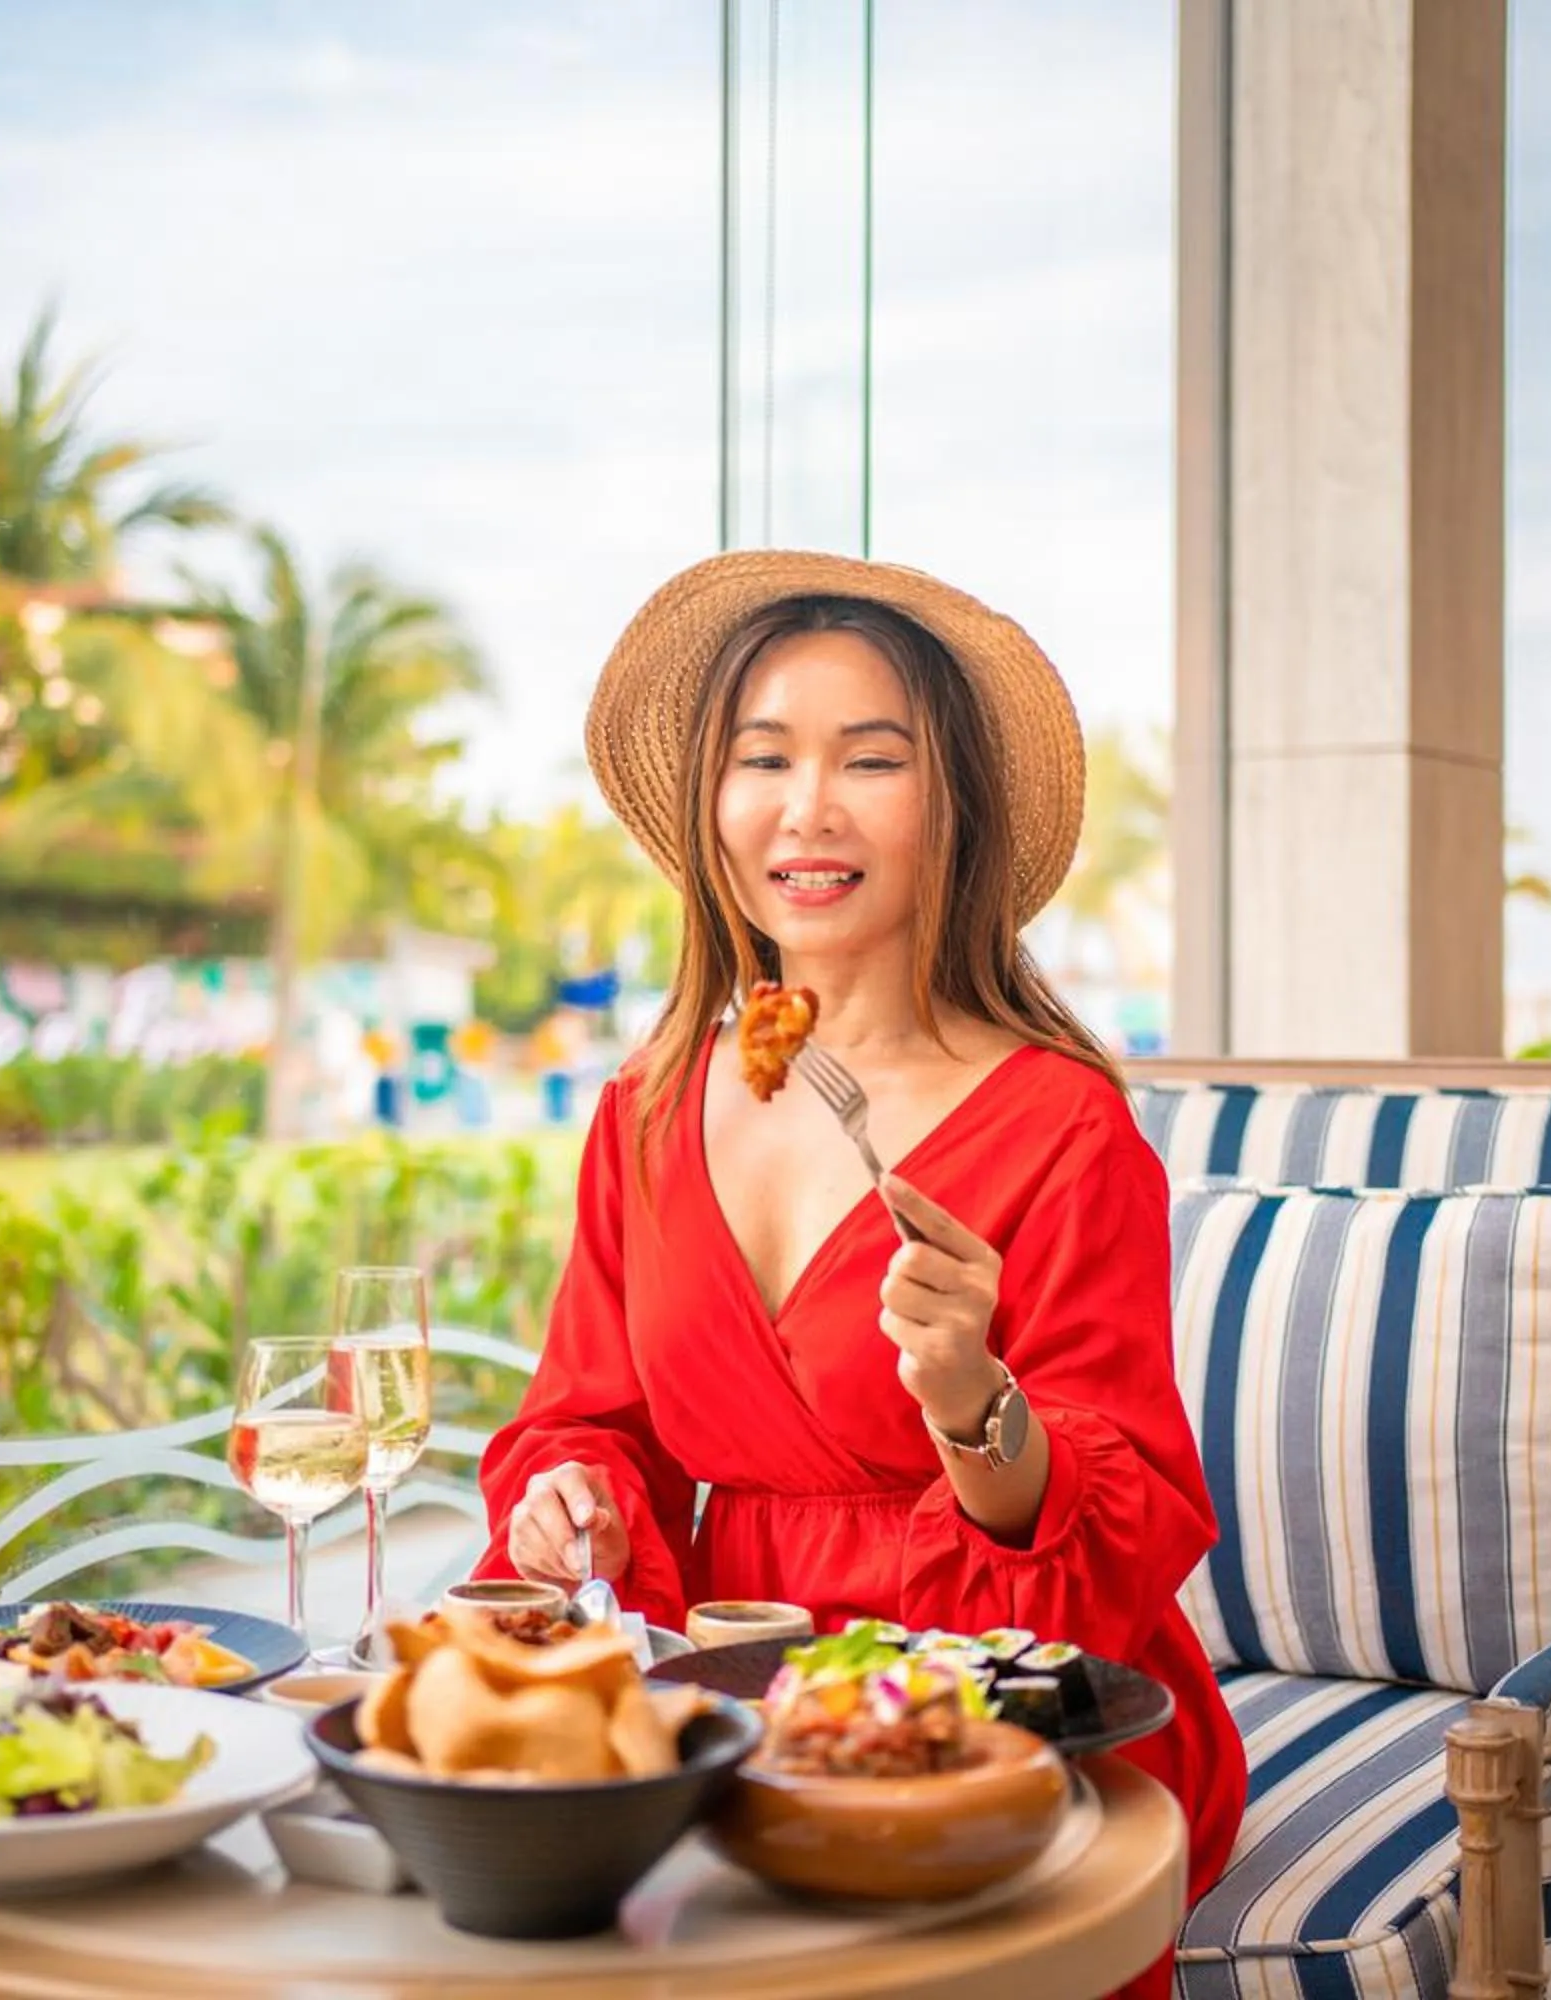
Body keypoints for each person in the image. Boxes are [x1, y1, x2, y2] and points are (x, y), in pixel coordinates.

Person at [474, 552, 1246, 1976]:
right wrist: (570, 1500)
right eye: (763, 757)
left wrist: (973, 1402)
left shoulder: (1065, 1126)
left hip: (998, 1717)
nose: (808, 808)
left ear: (951, 810)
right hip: (727, 1700)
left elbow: (1123, 1529)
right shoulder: (646, 1109)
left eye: (872, 761)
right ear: (712, 804)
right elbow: (588, 1420)